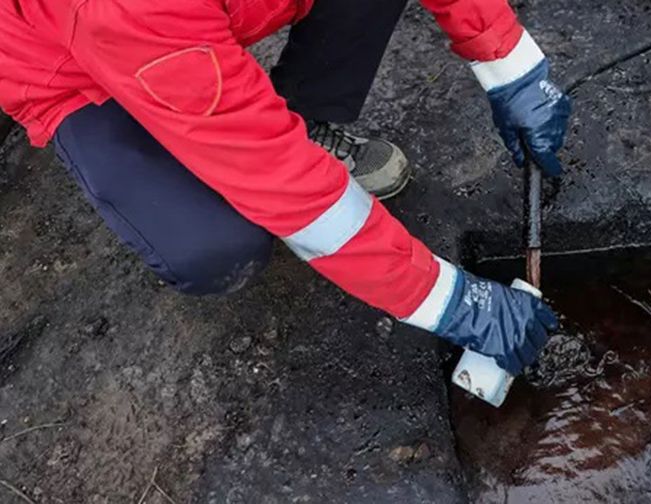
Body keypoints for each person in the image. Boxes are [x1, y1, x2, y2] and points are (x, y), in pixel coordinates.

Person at [0, 0, 570, 376]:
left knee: (253, 140)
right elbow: (283, 182)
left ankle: (294, 123)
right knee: (217, 247)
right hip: (78, 69)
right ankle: (203, 169)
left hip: (202, 26)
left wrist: (511, 67)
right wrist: (452, 305)